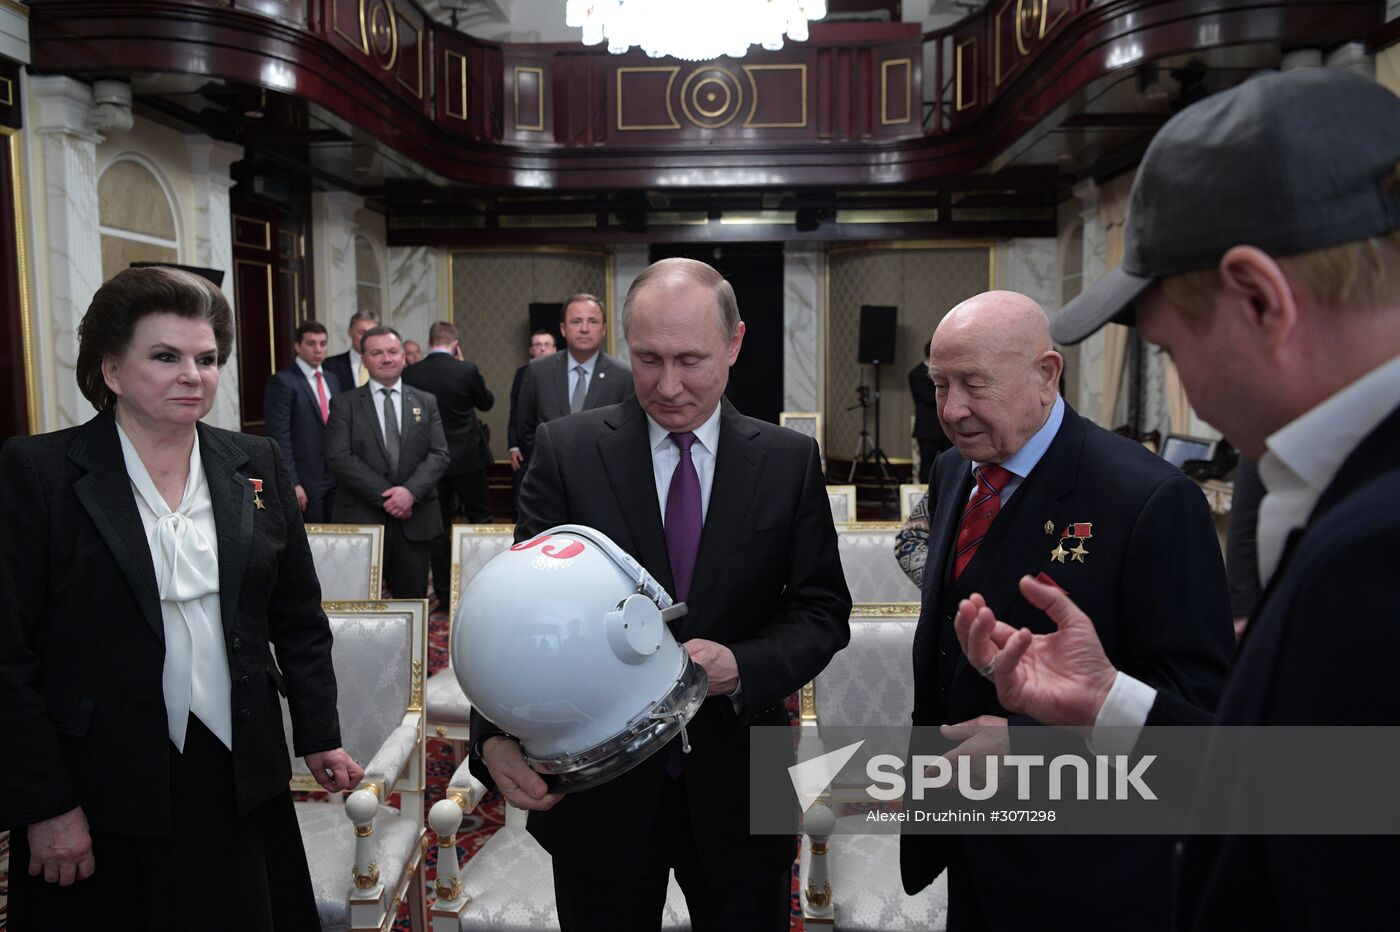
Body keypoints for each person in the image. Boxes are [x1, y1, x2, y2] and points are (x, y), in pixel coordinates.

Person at [951, 68, 1400, 929]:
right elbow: (1314, 787)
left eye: (1164, 348)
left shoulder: (1376, 546)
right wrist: (1110, 702)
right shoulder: (1314, 486)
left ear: (1262, 300)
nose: (1178, 381)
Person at [470, 258, 852, 931]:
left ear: (734, 345)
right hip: (599, 792)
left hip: (742, 778)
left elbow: (822, 612)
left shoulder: (788, 460)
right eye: (647, 358)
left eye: (690, 359)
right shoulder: (567, 450)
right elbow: (516, 618)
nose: (668, 385)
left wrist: (743, 666)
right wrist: (494, 739)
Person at [0, 266, 362, 929]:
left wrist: (318, 734)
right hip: (99, 785)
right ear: (111, 370)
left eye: (206, 359)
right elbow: (7, 657)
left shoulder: (254, 462)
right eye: (165, 357)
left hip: (238, 771)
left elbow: (297, 617)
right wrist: (43, 803)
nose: (192, 374)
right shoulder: (39, 473)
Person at [899, 290, 1233, 930]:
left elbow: (1197, 709)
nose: (951, 409)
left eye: (973, 384)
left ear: (1047, 375)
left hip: (1085, 868)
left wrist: (1026, 749)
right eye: (939, 384)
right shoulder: (953, 471)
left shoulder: (1150, 500)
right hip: (969, 844)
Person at [325, 325, 450, 599]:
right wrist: (388, 497)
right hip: (363, 520)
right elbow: (338, 456)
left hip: (415, 521)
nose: (386, 358)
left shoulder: (426, 402)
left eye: (393, 351)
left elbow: (439, 453)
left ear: (403, 357)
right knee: (357, 606)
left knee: (412, 604)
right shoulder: (344, 403)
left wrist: (409, 493)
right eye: (377, 353)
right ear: (365, 359)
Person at [403, 321, 496, 609]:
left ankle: (444, 594)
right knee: (481, 520)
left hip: (430, 461)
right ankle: (486, 587)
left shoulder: (411, 372)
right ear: (455, 344)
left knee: (438, 528)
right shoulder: (465, 370)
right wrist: (464, 363)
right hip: (467, 457)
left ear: (429, 342)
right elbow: (487, 403)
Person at [514, 293, 633, 460]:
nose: (584, 328)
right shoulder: (538, 371)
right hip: (548, 477)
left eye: (593, 321)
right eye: (576, 321)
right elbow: (525, 429)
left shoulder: (624, 376)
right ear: (563, 329)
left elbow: (627, 433)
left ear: (604, 329)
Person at [263, 320, 343, 522]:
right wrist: (292, 482)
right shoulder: (283, 381)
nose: (318, 349)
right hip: (305, 480)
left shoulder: (332, 378)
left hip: (335, 478)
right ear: (298, 346)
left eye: (323, 343)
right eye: (311, 343)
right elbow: (279, 436)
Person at [508, 328, 560, 513]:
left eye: (547, 345)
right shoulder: (522, 373)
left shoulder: (564, 374)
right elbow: (515, 412)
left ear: (554, 349)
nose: (542, 349)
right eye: (538, 345)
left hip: (558, 442)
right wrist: (513, 445)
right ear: (531, 350)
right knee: (523, 500)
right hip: (528, 446)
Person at [909, 339, 950, 483]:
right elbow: (928, 398)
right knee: (927, 467)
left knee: (950, 466)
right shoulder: (916, 374)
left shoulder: (947, 374)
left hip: (947, 428)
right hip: (927, 430)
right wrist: (941, 382)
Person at [323, 309, 380, 390]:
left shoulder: (386, 364)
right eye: (362, 333)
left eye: (372, 333)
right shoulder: (330, 366)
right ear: (350, 332)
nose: (367, 338)